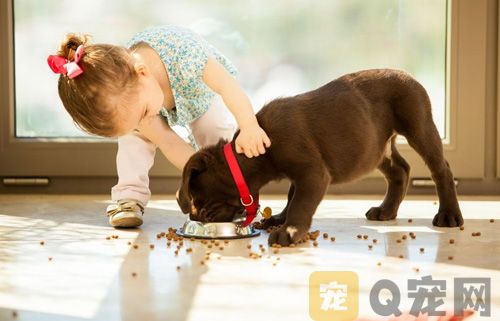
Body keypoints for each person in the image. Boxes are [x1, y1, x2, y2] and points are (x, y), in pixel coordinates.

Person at [47, 25, 271, 228]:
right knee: (133, 141)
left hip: (198, 93)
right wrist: (194, 179)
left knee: (214, 130)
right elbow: (169, 142)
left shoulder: (187, 57)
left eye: (142, 114)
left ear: (142, 73)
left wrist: (249, 125)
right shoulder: (133, 98)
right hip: (147, 97)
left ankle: (226, 195)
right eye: (134, 121)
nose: (143, 123)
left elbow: (227, 85)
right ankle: (129, 197)